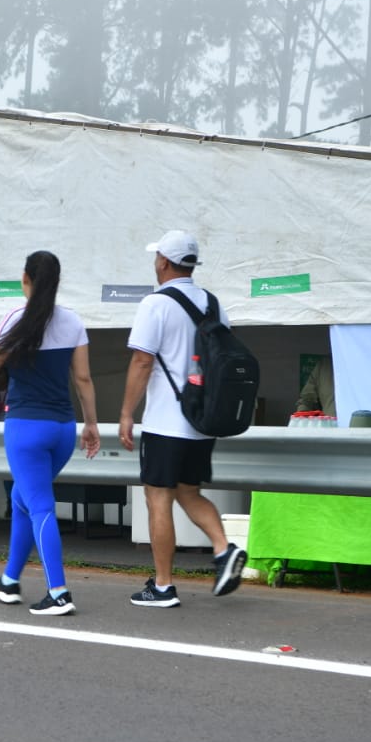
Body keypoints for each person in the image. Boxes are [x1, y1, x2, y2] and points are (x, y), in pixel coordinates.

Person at [0, 251, 100, 616]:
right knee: (22, 497)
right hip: (62, 428)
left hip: (26, 428)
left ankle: (59, 591)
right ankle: (10, 580)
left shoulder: (16, 320)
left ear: (25, 278)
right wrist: (91, 423)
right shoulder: (73, 322)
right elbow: (82, 379)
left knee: (40, 504)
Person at [119, 230, 247, 608]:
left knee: (157, 499)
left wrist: (127, 413)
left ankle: (162, 586)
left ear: (162, 261)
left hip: (164, 421)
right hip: (201, 419)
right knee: (189, 492)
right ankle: (224, 549)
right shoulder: (212, 303)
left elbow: (142, 361)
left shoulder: (155, 304)